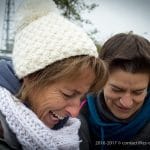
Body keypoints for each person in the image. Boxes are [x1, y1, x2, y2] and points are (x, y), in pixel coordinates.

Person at [0, 0, 108, 150]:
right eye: (68, 94)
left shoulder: (75, 131)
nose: (75, 113)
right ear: (30, 76)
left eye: (82, 97)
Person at [79, 32, 150, 150]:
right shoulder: (72, 116)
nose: (126, 103)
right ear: (100, 80)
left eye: (138, 92)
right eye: (117, 90)